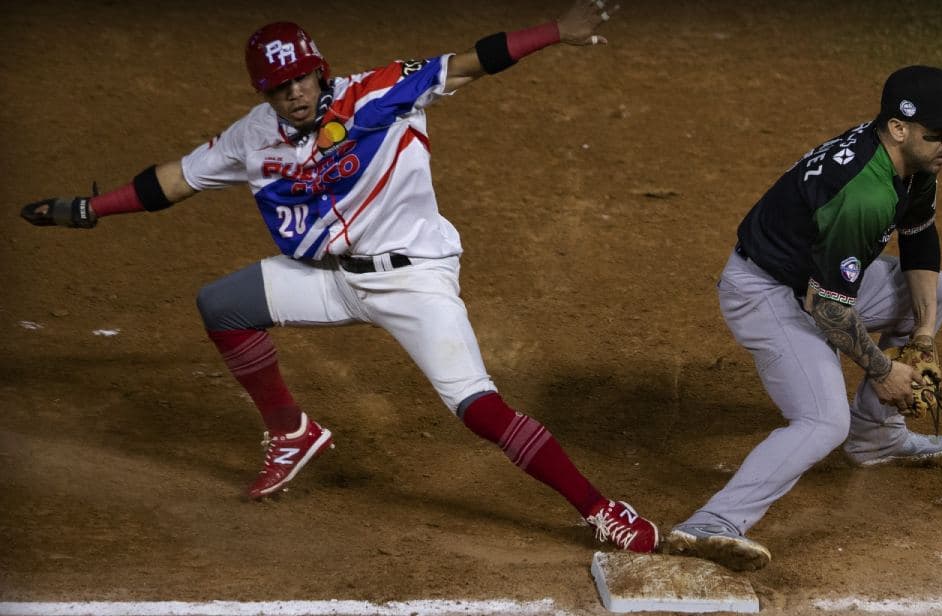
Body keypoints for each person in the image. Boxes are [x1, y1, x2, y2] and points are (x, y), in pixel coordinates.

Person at [19, 0, 659, 554]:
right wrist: (87, 210)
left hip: (414, 281)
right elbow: (173, 181)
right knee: (222, 305)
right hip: (330, 276)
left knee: (479, 408)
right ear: (263, 94)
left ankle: (604, 512)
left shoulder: (380, 92)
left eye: (301, 78)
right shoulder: (254, 135)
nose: (294, 93)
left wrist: (555, 30)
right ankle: (291, 431)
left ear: (319, 70)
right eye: (278, 86)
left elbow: (469, 61)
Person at [663, 66, 942, 571]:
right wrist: (883, 370)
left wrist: (922, 335)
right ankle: (712, 522)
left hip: (815, 282)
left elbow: (919, 238)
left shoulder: (913, 163)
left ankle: (876, 437)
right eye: (938, 131)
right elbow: (828, 309)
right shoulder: (861, 192)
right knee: (821, 420)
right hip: (766, 291)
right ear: (899, 129)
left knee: (933, 292)